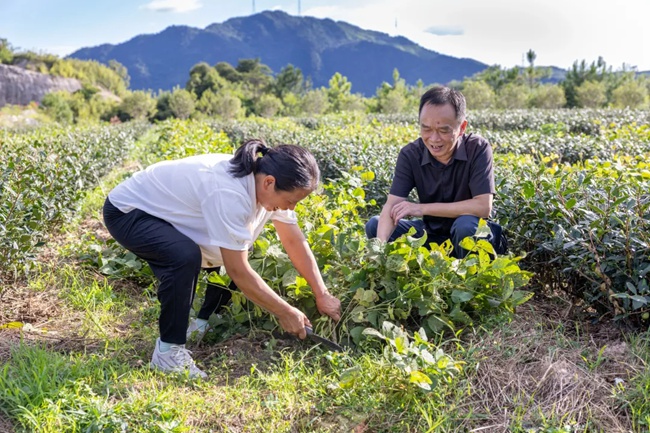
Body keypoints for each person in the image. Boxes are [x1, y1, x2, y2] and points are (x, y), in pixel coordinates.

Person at [102, 139, 341, 379]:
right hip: (130, 212)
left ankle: (201, 323)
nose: (291, 207)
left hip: (171, 213)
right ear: (269, 182)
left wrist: (321, 293)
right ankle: (168, 352)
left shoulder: (270, 182)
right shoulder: (228, 191)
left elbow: (293, 241)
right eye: (291, 201)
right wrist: (285, 312)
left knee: (235, 247)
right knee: (184, 256)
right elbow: (238, 271)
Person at [365, 86, 507, 258]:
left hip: (471, 235)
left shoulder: (477, 148)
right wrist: (380, 248)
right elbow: (391, 205)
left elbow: (483, 207)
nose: (434, 139)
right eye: (426, 129)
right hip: (431, 234)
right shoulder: (410, 154)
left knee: (465, 227)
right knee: (375, 225)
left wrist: (421, 208)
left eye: (443, 130)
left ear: (462, 127)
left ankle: (471, 282)